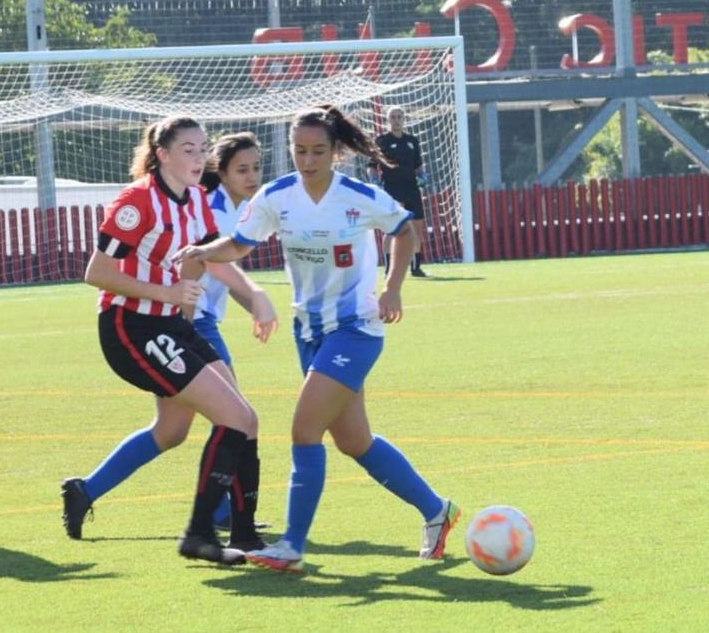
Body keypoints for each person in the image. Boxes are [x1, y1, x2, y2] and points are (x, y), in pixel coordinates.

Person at [177, 105, 460, 573]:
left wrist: (391, 288)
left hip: (356, 330)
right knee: (355, 441)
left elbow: (405, 231)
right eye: (299, 151)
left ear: (336, 153)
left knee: (304, 431)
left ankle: (290, 544)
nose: (308, 161)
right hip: (307, 330)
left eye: (318, 151)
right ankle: (437, 510)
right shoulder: (276, 196)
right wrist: (203, 252)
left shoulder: (356, 195)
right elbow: (241, 245)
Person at [60, 115, 264, 564]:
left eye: (202, 148)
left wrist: (257, 247)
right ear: (163, 155)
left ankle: (245, 535)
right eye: (188, 149)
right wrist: (168, 294)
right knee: (234, 417)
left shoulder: (195, 200)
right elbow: (96, 273)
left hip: (169, 324)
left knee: (185, 429)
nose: (199, 157)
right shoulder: (137, 201)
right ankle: (200, 534)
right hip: (129, 327)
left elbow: (205, 257)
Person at [192, 133, 278, 532]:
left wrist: (252, 303)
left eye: (256, 168)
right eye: (241, 169)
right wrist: (256, 297)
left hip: (199, 317)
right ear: (221, 171)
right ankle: (223, 513)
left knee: (168, 432)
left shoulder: (234, 208)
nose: (252, 176)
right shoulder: (215, 211)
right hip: (195, 320)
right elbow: (211, 262)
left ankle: (86, 489)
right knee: (237, 415)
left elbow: (225, 270)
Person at [367, 106, 430, 277]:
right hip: (392, 189)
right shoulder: (381, 141)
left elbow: (418, 166)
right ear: (388, 120)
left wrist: (423, 176)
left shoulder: (412, 141)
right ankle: (388, 268)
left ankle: (416, 267)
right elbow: (372, 167)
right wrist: (374, 182)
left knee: (416, 229)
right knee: (392, 229)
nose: (396, 120)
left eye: (399, 117)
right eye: (393, 117)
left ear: (404, 119)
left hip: (412, 188)